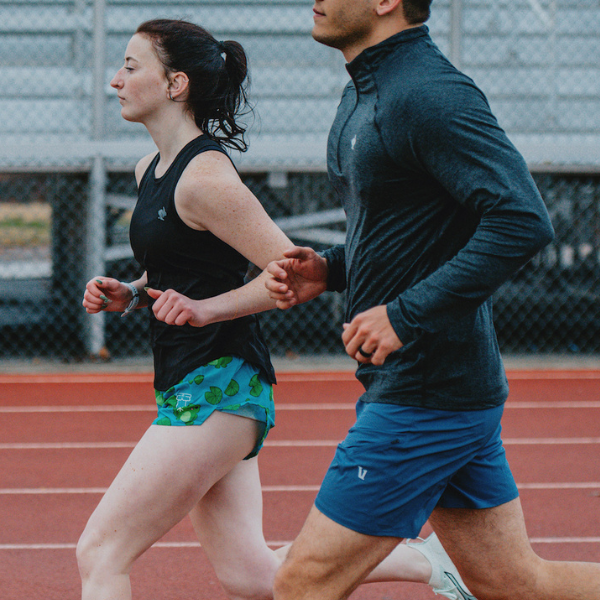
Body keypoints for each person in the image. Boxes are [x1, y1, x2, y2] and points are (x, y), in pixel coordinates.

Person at [77, 17, 474, 600]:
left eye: (132, 66)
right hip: (189, 378)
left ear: (175, 84)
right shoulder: (149, 171)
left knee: (100, 552)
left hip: (220, 385)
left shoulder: (205, 178)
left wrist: (209, 310)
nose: (115, 79)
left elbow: (292, 274)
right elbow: (178, 270)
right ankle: (426, 564)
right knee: (250, 574)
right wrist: (132, 292)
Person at [264, 1, 600, 600]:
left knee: (302, 583)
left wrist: (405, 315)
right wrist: (331, 269)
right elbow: (406, 229)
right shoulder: (367, 92)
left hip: (426, 394)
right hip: (440, 389)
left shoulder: (429, 92)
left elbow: (521, 220)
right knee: (514, 583)